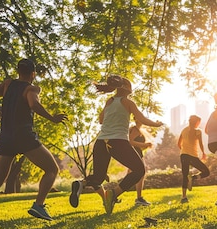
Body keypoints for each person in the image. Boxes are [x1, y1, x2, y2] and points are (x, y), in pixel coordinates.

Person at [0, 59, 67, 228]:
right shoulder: (32, 88)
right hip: (24, 136)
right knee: (52, 169)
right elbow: (34, 104)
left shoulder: (8, 85)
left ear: (18, 71)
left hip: (6, 138)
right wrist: (52, 118)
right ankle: (38, 205)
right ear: (33, 74)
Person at [69, 75, 163, 215]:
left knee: (99, 177)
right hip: (117, 141)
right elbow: (141, 118)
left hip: (101, 142)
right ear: (126, 89)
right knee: (139, 170)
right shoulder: (127, 102)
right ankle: (113, 194)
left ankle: (81, 184)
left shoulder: (110, 101)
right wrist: (156, 124)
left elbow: (101, 120)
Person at [178, 115, 210, 203]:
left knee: (185, 175)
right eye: (199, 122)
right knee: (206, 172)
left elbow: (179, 143)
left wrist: (184, 151)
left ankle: (184, 197)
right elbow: (200, 143)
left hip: (183, 155)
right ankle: (193, 178)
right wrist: (203, 153)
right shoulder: (198, 131)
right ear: (196, 122)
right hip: (192, 156)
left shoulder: (184, 130)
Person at [128, 120, 153, 206]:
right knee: (141, 174)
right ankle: (139, 198)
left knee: (135, 175)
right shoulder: (135, 129)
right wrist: (144, 145)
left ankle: (115, 193)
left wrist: (145, 145)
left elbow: (136, 144)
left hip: (137, 153)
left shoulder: (139, 130)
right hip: (134, 154)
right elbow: (130, 142)